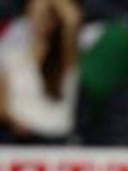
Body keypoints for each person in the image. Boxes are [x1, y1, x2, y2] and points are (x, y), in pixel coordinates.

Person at [0, 0, 82, 143]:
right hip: (20, 138)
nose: (40, 20)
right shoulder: (11, 55)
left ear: (55, 19)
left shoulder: (65, 57)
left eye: (46, 15)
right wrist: (14, 122)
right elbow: (2, 104)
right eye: (36, 14)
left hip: (58, 138)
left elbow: (73, 19)